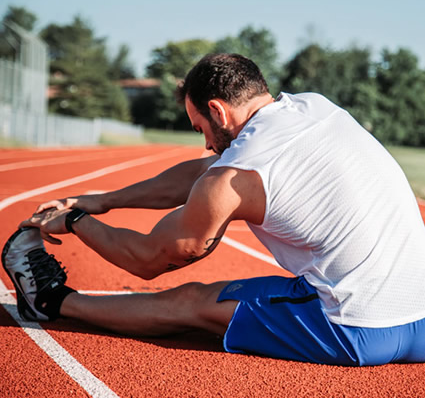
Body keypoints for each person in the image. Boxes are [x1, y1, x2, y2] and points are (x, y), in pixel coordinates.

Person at [3, 53, 425, 366]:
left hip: (356, 329)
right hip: (421, 320)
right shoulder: (311, 107)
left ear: (218, 111)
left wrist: (77, 220)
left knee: (192, 300)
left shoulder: (233, 178)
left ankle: (53, 303)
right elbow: (204, 170)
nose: (205, 142)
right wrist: (102, 200)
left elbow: (149, 259)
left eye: (200, 127)